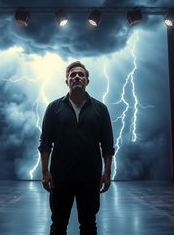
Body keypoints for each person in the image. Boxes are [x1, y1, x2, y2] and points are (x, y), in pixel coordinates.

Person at [38, 61, 115, 235]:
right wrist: (44, 172)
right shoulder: (54, 108)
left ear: (88, 81)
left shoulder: (101, 110)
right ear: (67, 81)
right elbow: (45, 143)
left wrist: (107, 173)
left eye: (81, 74)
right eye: (72, 75)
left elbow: (108, 145)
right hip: (60, 177)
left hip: (90, 177)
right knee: (58, 225)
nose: (77, 77)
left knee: (89, 225)